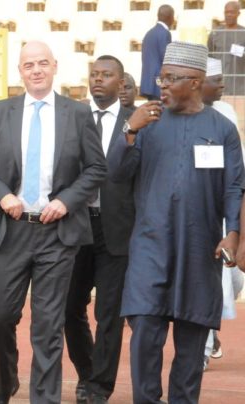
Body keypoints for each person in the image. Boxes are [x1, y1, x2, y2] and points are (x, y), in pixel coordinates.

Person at [0, 40, 107, 404]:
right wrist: (2, 195)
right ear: (21, 71)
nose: (37, 70)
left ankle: (44, 398)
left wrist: (66, 201)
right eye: (29, 64)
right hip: (10, 231)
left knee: (47, 325)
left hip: (57, 233)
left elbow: (96, 168)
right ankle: (5, 381)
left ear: (55, 66)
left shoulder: (76, 113)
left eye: (43, 63)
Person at [107, 41, 244, 404]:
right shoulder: (145, 121)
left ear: (196, 82)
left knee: (191, 342)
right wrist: (129, 132)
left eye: (171, 79)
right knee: (145, 338)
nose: (162, 85)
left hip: (199, 250)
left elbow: (234, 186)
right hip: (151, 246)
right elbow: (116, 175)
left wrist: (232, 234)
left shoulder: (221, 128)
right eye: (161, 77)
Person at [64, 55, 135, 404]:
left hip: (117, 230)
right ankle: (87, 372)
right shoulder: (73, 116)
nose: (98, 80)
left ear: (121, 83)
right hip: (76, 226)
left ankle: (99, 387)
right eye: (94, 74)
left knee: (109, 313)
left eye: (107, 75)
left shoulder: (135, 122)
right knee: (68, 308)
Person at [201, 57, 245, 371]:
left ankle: (211, 329)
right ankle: (202, 346)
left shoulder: (227, 114)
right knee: (208, 281)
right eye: (216, 80)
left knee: (235, 277)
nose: (223, 86)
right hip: (198, 213)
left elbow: (238, 169)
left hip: (227, 211)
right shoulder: (178, 117)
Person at [207, 1, 245, 95]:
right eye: (226, 12)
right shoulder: (215, 33)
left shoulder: (243, 33)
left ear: (238, 13)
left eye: (232, 12)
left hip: (239, 85)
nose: (229, 15)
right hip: (218, 84)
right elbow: (209, 57)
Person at [140, 5, 174, 100]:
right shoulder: (165, 33)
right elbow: (166, 58)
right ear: (170, 17)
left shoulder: (149, 33)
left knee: (152, 111)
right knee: (161, 111)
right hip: (159, 82)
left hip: (148, 83)